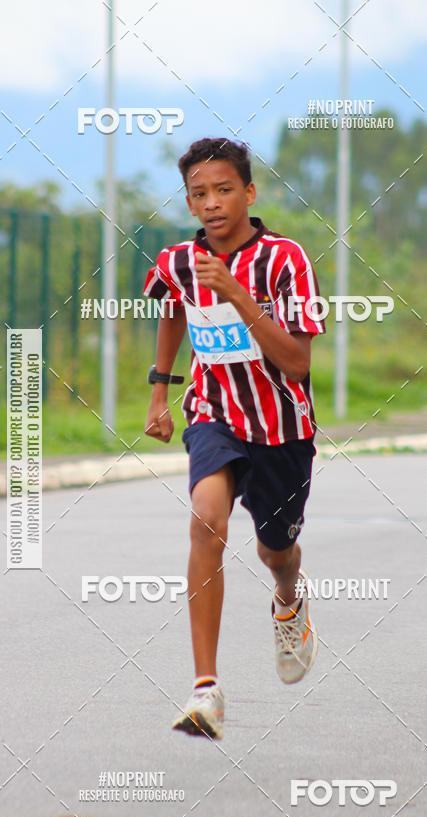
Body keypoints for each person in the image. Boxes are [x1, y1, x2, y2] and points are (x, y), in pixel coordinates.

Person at [143, 137, 325, 739]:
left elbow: (297, 364)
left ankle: (287, 594)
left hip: (281, 428)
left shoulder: (284, 260)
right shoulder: (177, 262)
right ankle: (206, 690)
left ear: (249, 192)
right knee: (206, 521)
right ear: (190, 203)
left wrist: (237, 295)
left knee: (275, 549)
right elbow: (172, 307)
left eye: (225, 190)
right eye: (200, 193)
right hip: (212, 414)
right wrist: (159, 392)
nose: (213, 202)